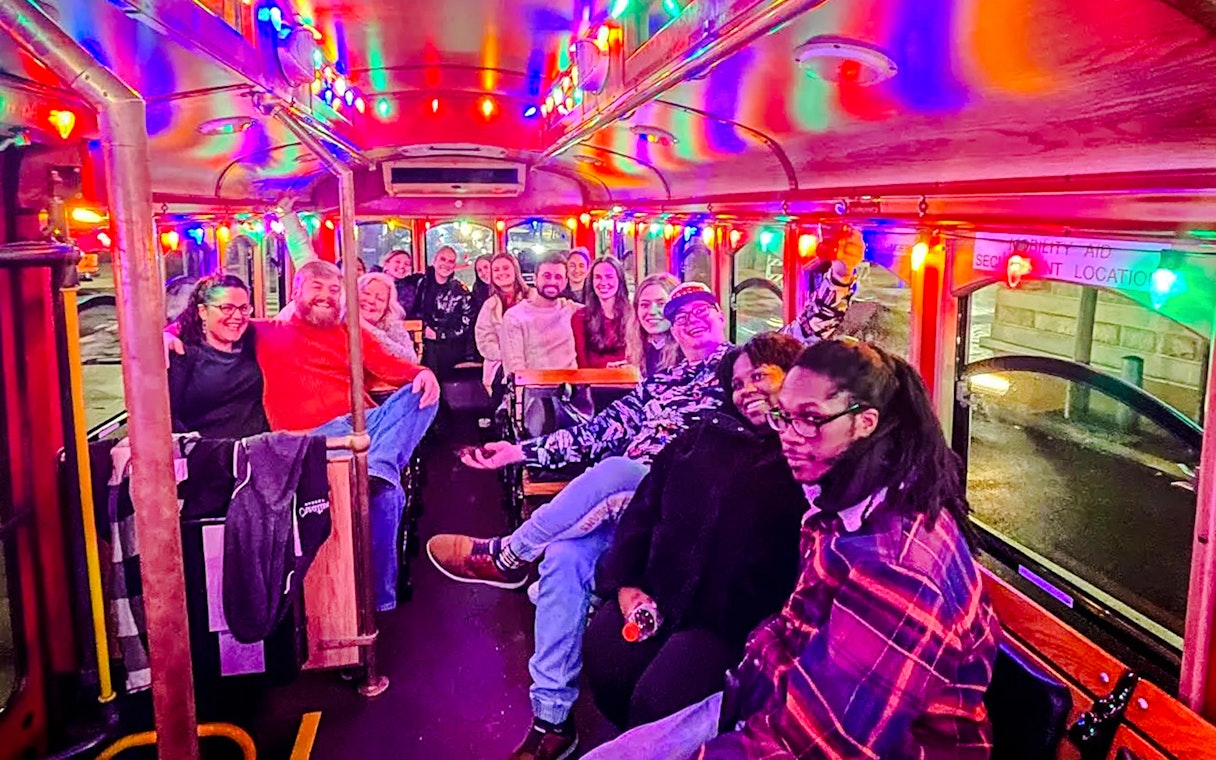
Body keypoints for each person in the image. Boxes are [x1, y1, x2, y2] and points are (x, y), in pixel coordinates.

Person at [427, 231, 862, 760]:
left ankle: (509, 554)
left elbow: (805, 334)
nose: (692, 321)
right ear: (670, 332)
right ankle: (552, 720)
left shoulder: (740, 370)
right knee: (565, 559)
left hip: (678, 496)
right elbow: (598, 430)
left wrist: (839, 279)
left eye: (701, 310)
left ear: (722, 318)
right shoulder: (658, 386)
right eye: (680, 318)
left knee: (614, 471)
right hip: (634, 507)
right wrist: (521, 454)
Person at [582, 340, 999, 760]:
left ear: (865, 423)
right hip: (774, 698)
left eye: (811, 419)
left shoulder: (897, 571)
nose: (789, 437)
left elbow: (821, 746)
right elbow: (787, 633)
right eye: (785, 417)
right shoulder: (838, 511)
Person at [167, 261, 440, 611]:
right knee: (389, 495)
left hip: (362, 425)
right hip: (312, 438)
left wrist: (422, 372)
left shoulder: (349, 332)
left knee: (424, 394)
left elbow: (393, 367)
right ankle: (376, 598)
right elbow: (206, 321)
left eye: (333, 289)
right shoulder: (264, 331)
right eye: (316, 288)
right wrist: (168, 334)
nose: (325, 296)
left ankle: (377, 471)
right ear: (296, 292)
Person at [583, 332, 808, 730]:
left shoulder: (802, 455)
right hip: (660, 593)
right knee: (606, 656)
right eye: (737, 385)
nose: (746, 391)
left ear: (792, 378)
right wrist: (626, 583)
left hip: (727, 621)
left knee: (659, 704)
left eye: (759, 377)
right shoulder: (700, 438)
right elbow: (644, 511)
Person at [167, 274, 269, 439]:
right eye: (227, 308)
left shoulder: (254, 339)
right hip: (206, 454)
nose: (237, 316)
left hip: (256, 450)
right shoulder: (182, 354)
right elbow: (169, 417)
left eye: (243, 308)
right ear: (203, 312)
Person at [500, 250, 581, 377]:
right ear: (535, 278)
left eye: (558, 277)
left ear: (565, 282)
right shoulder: (514, 317)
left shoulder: (570, 309)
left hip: (571, 390)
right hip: (533, 391)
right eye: (546, 276)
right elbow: (514, 369)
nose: (552, 282)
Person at [475, 252, 531, 399]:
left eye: (505, 268)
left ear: (515, 270)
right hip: (499, 365)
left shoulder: (532, 297)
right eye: (496, 270)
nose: (501, 273)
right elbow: (484, 339)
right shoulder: (490, 305)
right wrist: (506, 354)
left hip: (532, 363)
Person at [415, 246, 473, 382]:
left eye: (451, 261)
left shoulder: (460, 290)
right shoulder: (421, 284)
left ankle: (435, 395)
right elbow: (415, 311)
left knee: (432, 353)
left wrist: (439, 334)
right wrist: (423, 329)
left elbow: (467, 324)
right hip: (423, 339)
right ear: (434, 261)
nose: (446, 265)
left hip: (450, 342)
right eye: (443, 259)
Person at [572, 257, 632, 368]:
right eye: (598, 277)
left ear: (620, 280)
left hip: (629, 381)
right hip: (593, 383)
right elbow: (582, 365)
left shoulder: (633, 315)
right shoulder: (580, 317)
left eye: (609, 277)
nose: (603, 282)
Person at [627, 273, 681, 377]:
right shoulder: (640, 348)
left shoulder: (687, 353)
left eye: (661, 304)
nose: (652, 311)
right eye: (645, 305)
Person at [359, 271, 419, 363]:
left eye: (380, 299)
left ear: (387, 307)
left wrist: (372, 331)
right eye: (366, 293)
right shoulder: (338, 322)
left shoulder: (392, 325)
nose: (371, 301)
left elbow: (411, 360)